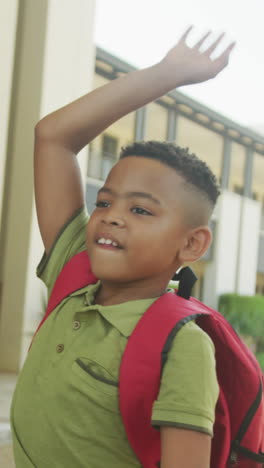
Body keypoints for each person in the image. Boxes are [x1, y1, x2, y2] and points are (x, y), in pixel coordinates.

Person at [11, 27, 235, 468]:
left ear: (192, 243)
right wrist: (166, 74)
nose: (111, 216)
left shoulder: (183, 346)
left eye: (142, 211)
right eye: (106, 202)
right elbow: (53, 136)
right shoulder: (72, 276)